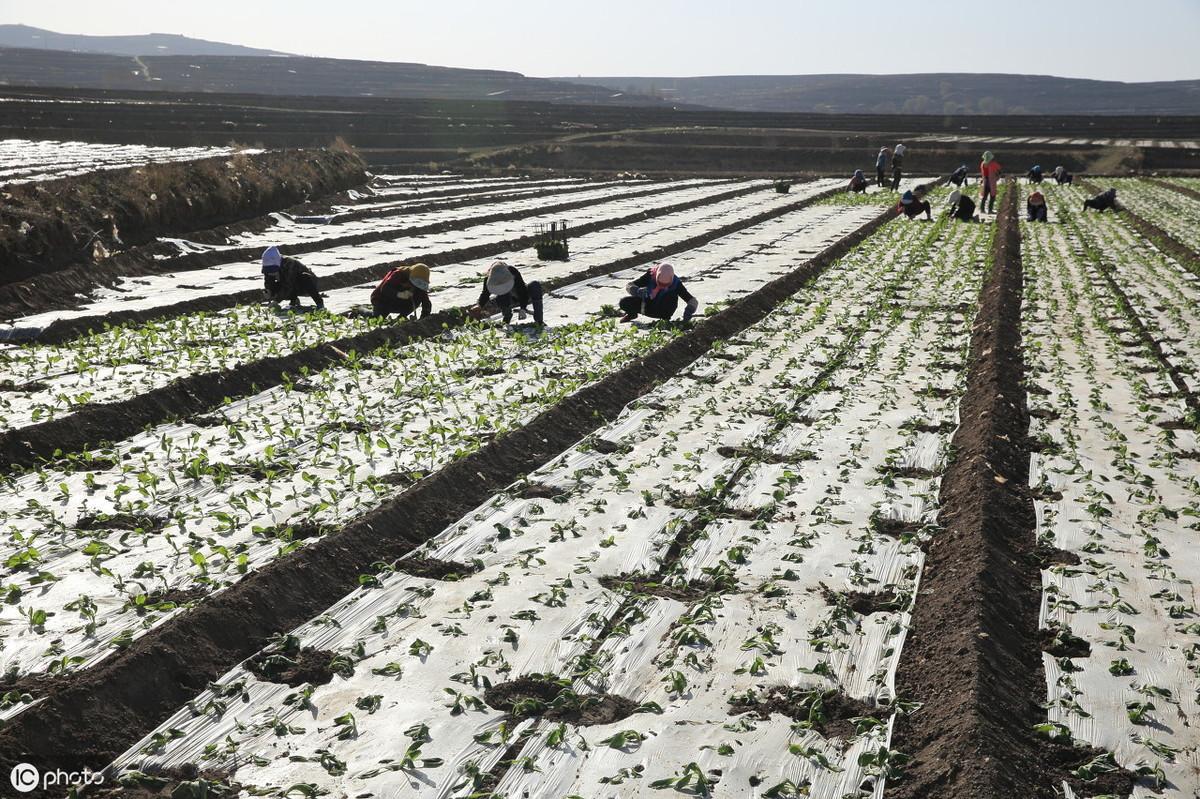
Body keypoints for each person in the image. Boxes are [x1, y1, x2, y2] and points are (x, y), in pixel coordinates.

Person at [618, 262, 698, 323]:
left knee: (670, 295)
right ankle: (632, 315)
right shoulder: (650, 275)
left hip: (663, 312)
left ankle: (664, 321)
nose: (662, 286)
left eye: (666, 284)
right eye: (660, 283)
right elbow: (629, 285)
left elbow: (692, 300)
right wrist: (636, 290)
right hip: (646, 306)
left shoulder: (676, 283)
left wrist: (689, 310)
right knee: (623, 302)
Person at [470, 260, 544, 325]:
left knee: (535, 285)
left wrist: (523, 308)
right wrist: (479, 305)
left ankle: (539, 320)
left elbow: (522, 290)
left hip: (523, 296)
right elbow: (485, 294)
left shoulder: (512, 271)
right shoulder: (489, 279)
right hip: (507, 300)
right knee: (501, 294)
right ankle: (507, 317)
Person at [262, 246, 323, 310]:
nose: (270, 271)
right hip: (288, 282)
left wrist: (276, 301)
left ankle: (319, 303)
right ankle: (294, 301)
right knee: (274, 287)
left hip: (305, 283)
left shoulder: (289, 263)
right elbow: (268, 280)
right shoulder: (267, 266)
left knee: (304, 277)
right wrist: (268, 290)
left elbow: (288, 284)